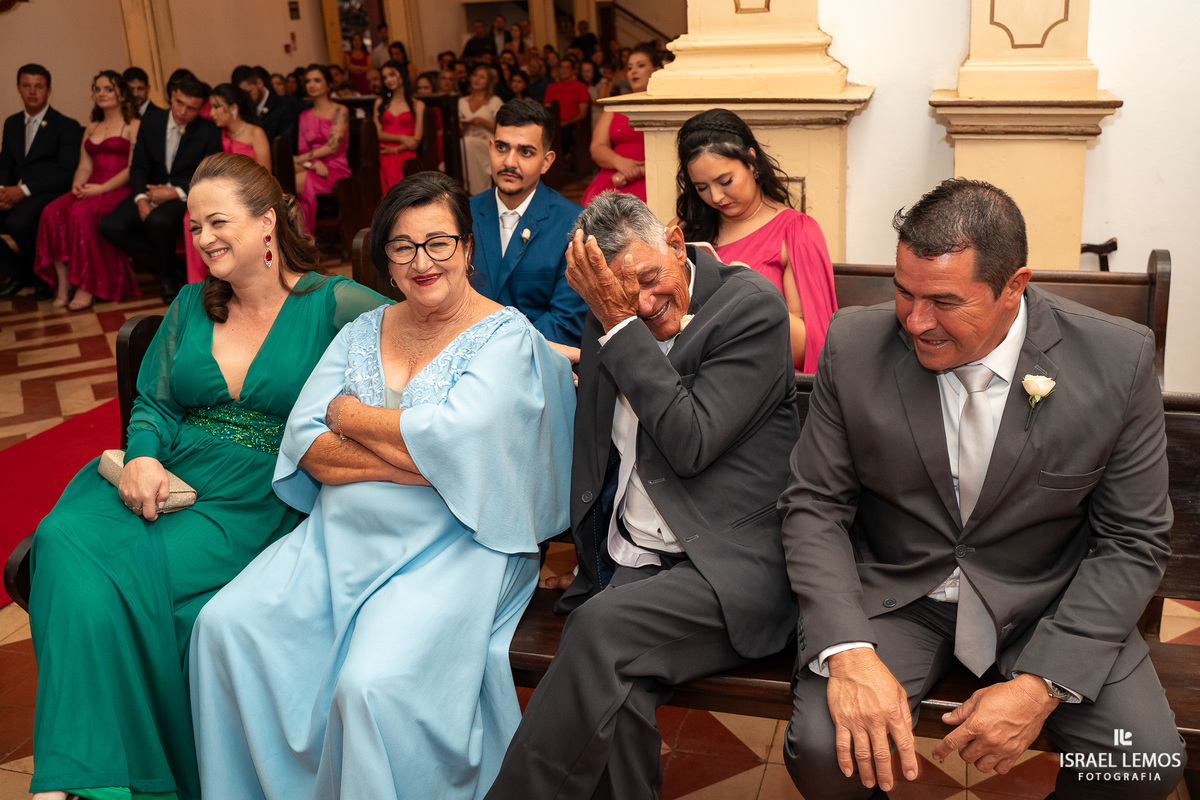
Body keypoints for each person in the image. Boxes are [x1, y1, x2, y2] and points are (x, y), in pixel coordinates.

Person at [780, 178, 1187, 800]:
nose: (916, 321)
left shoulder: (1116, 360)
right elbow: (814, 505)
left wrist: (1042, 684)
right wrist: (848, 651)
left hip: (1045, 598)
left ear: (1014, 286)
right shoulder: (855, 344)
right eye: (904, 292)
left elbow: (1134, 538)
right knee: (824, 750)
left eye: (944, 301)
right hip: (901, 593)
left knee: (1142, 764)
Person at [189, 170, 575, 800]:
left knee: (368, 685)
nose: (422, 262)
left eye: (438, 243)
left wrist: (349, 415)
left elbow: (456, 439)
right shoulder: (362, 330)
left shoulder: (504, 338)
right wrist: (423, 458)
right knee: (225, 627)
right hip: (336, 541)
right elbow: (306, 441)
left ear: (467, 248)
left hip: (454, 549)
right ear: (386, 261)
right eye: (402, 247)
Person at [26, 151, 389, 800]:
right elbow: (156, 402)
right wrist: (142, 456)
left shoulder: (334, 302)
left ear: (268, 222)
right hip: (171, 475)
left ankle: (93, 780)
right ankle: (73, 781)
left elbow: (428, 327)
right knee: (60, 539)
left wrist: (528, 344)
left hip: (255, 495)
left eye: (217, 222)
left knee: (130, 581)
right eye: (195, 227)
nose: (203, 238)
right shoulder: (193, 302)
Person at [483, 190, 799, 800]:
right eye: (624, 299)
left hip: (729, 567)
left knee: (597, 632)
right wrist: (583, 552)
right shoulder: (608, 317)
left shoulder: (750, 309)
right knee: (618, 698)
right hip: (639, 558)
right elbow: (593, 446)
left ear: (676, 242)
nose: (646, 305)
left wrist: (620, 324)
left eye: (651, 280)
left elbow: (690, 442)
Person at [675, 108, 836, 373]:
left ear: (751, 161)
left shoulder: (795, 232)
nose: (715, 197)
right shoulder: (686, 229)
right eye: (701, 187)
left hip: (760, 375)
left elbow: (810, 350)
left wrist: (752, 293)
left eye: (725, 181)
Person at [470, 99, 587, 349]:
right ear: (490, 148)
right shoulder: (463, 215)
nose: (510, 162)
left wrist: (499, 354)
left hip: (538, 360)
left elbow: (565, 322)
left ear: (547, 161)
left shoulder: (574, 225)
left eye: (525, 152)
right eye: (502, 147)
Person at [100, 75, 220, 303]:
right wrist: (141, 199)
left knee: (157, 221)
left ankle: (167, 280)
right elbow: (138, 166)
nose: (183, 112)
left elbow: (210, 174)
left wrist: (174, 192)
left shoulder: (208, 131)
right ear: (172, 96)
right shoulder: (151, 120)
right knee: (110, 226)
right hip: (149, 192)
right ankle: (173, 269)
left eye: (191, 109)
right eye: (180, 103)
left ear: (200, 109)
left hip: (184, 195)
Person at [33, 70, 140, 310]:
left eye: (108, 89)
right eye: (97, 89)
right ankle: (64, 283)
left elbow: (132, 168)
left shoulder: (134, 125)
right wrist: (77, 185)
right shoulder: (91, 127)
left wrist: (101, 188)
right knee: (51, 213)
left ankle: (87, 284)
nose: (101, 94)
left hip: (116, 188)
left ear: (122, 94)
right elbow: (84, 165)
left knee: (80, 214)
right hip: (90, 185)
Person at [0, 64, 82, 300]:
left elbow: (68, 173)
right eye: (26, 85)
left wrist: (23, 190)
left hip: (48, 193)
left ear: (49, 90)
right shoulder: (12, 123)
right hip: (16, 193)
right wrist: (3, 191)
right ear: (18, 88)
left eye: (39, 86)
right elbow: (5, 164)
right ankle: (19, 272)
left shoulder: (66, 125)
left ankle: (42, 278)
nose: (32, 91)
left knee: (18, 222)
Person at [183, 83, 270, 283]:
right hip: (217, 197)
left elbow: (265, 175)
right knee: (191, 217)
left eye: (217, 107)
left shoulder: (255, 133)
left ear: (233, 108)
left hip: (248, 195)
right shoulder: (214, 134)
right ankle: (199, 280)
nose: (211, 113)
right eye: (211, 107)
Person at [582, 44, 660, 206]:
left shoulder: (666, 107)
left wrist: (639, 170)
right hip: (613, 174)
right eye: (630, 68)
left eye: (640, 65)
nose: (633, 71)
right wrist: (620, 163)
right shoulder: (617, 106)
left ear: (657, 70)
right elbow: (597, 147)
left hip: (653, 177)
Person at [294, 64, 350, 235]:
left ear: (329, 85)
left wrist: (302, 160)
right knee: (287, 172)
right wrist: (313, 164)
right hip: (312, 166)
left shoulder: (340, 110)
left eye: (317, 80)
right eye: (308, 81)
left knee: (291, 180)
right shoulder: (304, 116)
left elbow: (332, 146)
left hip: (335, 168)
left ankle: (303, 236)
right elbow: (303, 148)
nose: (311, 85)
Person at [374, 59, 425, 192]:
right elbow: (378, 133)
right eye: (385, 77)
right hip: (384, 151)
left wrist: (397, 149)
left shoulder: (418, 105)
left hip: (406, 152)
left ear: (402, 74)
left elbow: (416, 140)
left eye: (392, 75)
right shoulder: (380, 103)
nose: (388, 80)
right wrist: (402, 138)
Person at [233, 65, 302, 149]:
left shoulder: (284, 105)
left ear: (259, 83)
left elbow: (286, 143)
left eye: (249, 92)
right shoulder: (243, 109)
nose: (246, 98)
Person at [458, 63, 503, 195]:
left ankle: (478, 192)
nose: (477, 79)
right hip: (465, 140)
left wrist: (482, 122)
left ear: (488, 82)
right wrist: (463, 125)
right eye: (475, 76)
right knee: (465, 143)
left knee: (468, 143)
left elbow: (501, 129)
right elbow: (458, 130)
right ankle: (466, 192)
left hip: (489, 141)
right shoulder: (462, 101)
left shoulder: (495, 101)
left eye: (482, 77)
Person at [542, 57, 588, 158]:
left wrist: (564, 123)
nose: (563, 70)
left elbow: (582, 114)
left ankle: (558, 160)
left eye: (567, 68)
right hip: (554, 123)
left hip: (572, 125)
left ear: (573, 70)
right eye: (562, 67)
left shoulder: (580, 87)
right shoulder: (551, 87)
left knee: (563, 134)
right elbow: (547, 109)